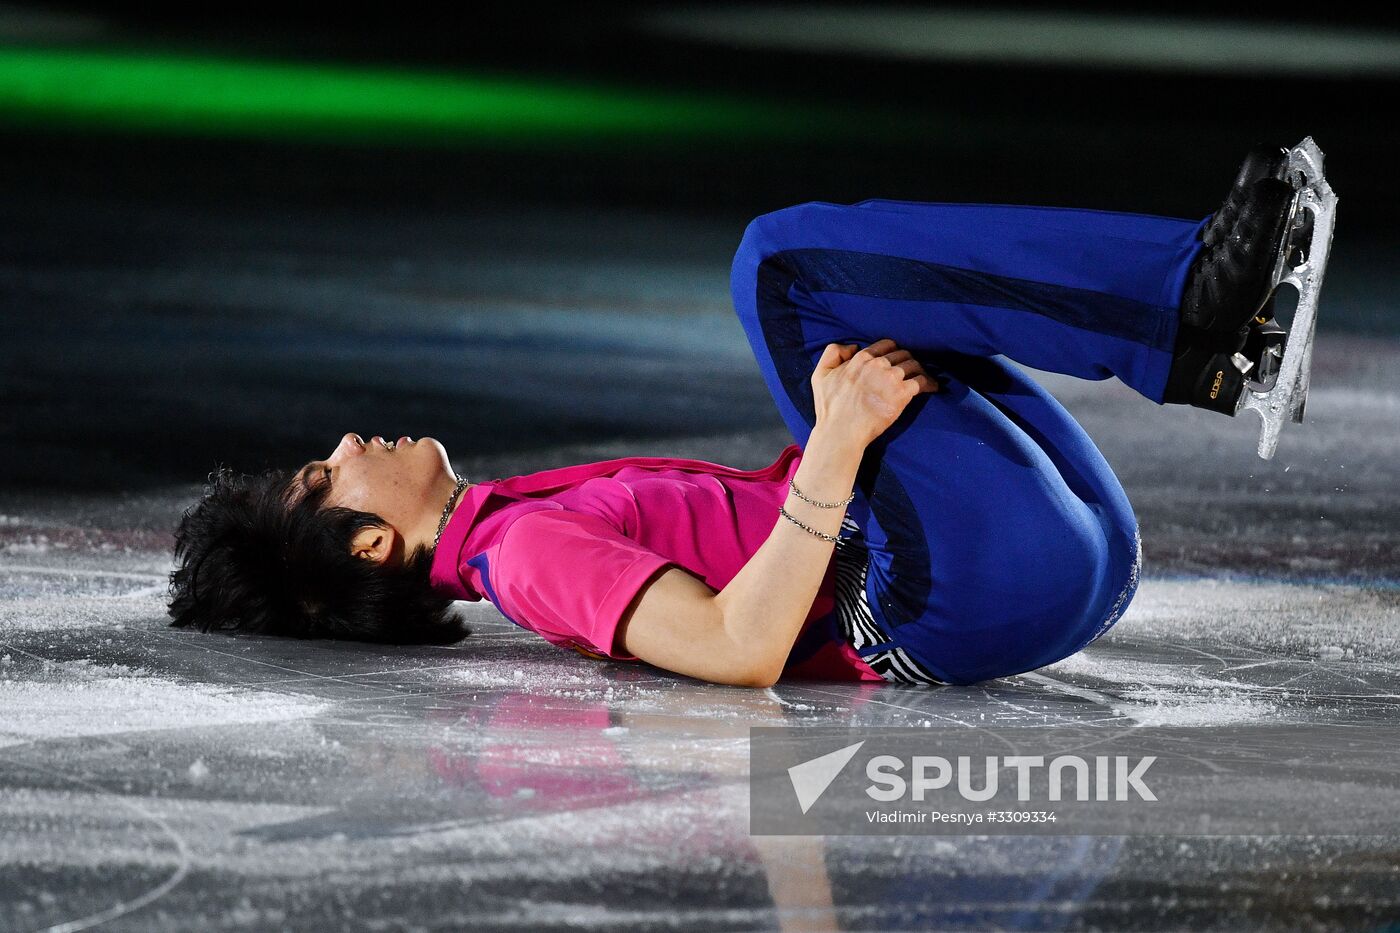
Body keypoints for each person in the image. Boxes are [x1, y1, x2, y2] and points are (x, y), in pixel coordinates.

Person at [167, 144, 1301, 688]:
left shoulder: (512, 519)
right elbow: (735, 649)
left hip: (1062, 570)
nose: (345, 446)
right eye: (324, 478)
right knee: (781, 268)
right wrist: (837, 445)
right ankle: (1187, 308)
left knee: (870, 315)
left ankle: (1209, 350)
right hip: (957, 598)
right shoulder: (523, 557)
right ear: (372, 545)